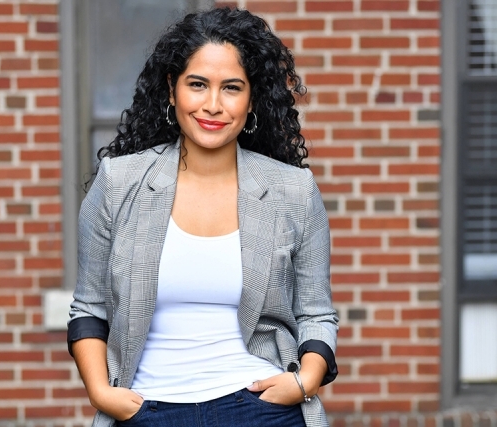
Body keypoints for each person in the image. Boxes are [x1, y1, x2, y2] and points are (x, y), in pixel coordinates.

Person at [68, 7, 338, 427]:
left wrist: (305, 380)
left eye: (231, 88)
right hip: (147, 408)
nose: (213, 105)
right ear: (172, 91)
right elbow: (89, 306)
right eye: (197, 85)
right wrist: (101, 392)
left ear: (252, 99)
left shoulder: (294, 191)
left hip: (262, 407)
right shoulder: (119, 182)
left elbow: (316, 313)